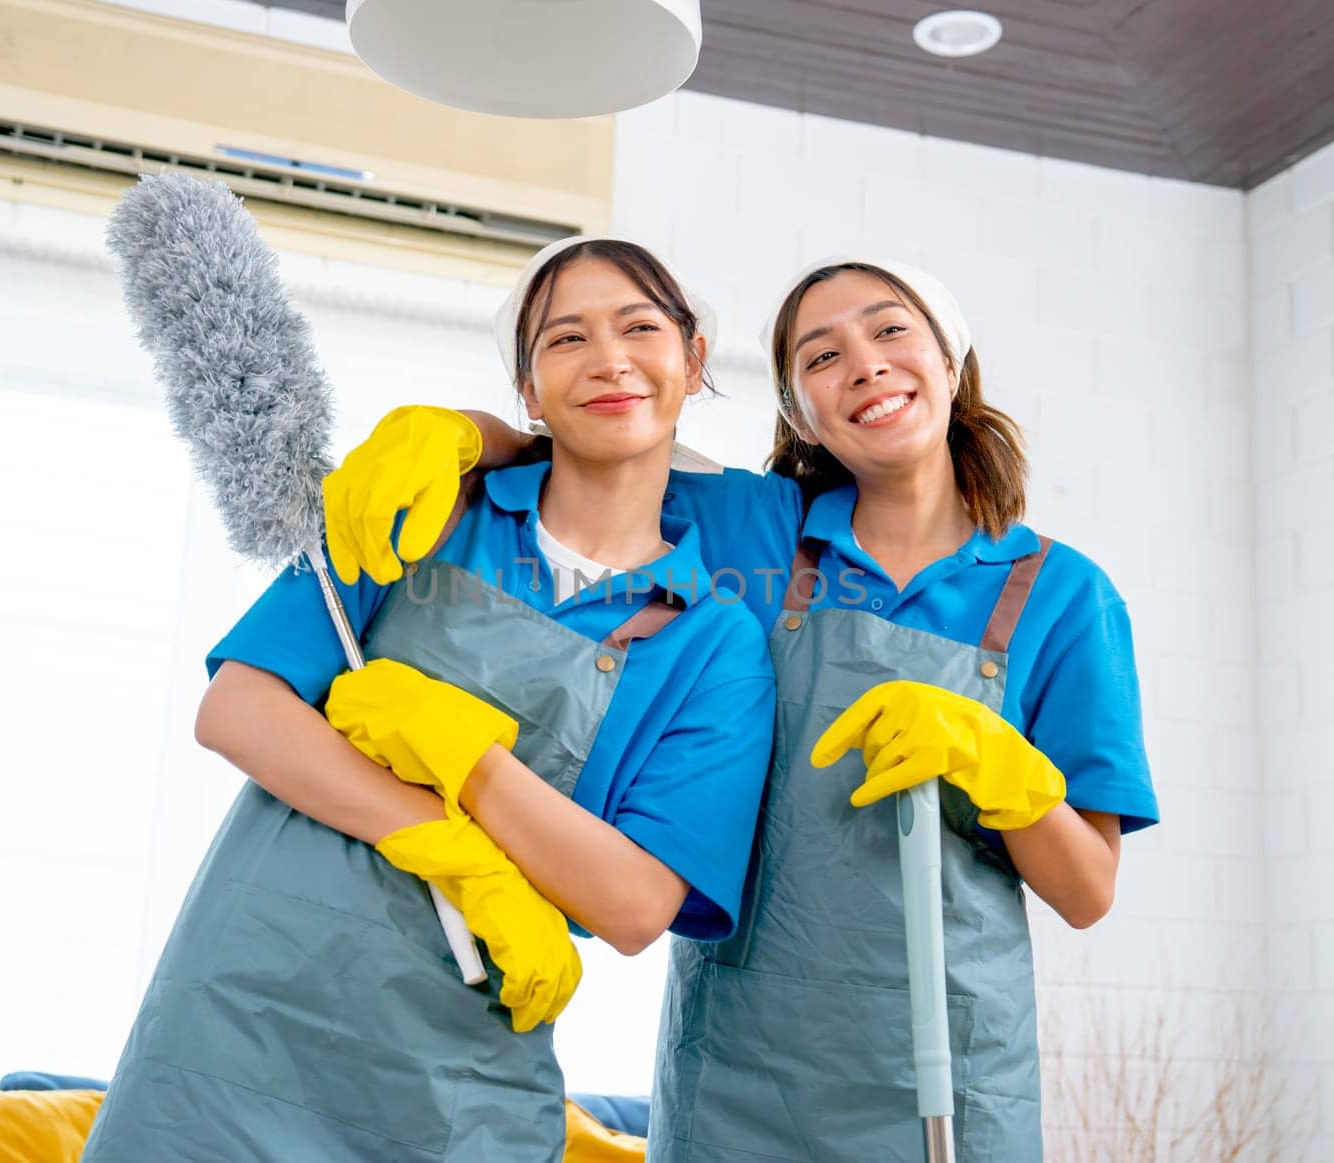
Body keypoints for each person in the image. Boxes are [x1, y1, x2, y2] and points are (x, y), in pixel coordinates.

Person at [329, 255, 1159, 1161]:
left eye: (889, 332)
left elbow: (1087, 890)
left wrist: (1005, 773)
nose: (865, 366)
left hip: (947, 1080)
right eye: (821, 356)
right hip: (736, 1078)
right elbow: (585, 436)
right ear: (800, 412)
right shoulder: (758, 531)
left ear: (950, 361)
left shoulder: (1065, 594)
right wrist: (459, 431)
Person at [81, 238, 776, 1162]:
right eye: (565, 338)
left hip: (458, 1078)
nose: (609, 359)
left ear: (691, 360)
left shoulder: (712, 639)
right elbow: (240, 707)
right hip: (239, 1021)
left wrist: (469, 763)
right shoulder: (429, 507)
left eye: (639, 327)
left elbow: (637, 900)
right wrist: (449, 847)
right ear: (528, 391)